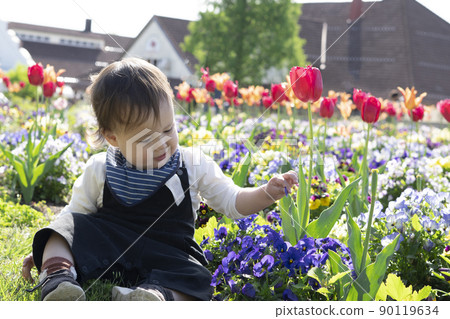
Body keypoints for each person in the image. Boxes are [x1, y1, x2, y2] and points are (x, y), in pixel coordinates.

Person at [22, 57, 298, 301]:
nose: (162, 144)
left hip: (168, 255)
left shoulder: (192, 163)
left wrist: (266, 193)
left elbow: (231, 200)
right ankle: (57, 276)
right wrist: (53, 246)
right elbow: (75, 219)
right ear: (113, 138)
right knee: (61, 227)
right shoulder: (100, 168)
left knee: (199, 276)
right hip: (112, 250)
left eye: (168, 129)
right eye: (146, 138)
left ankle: (154, 296)